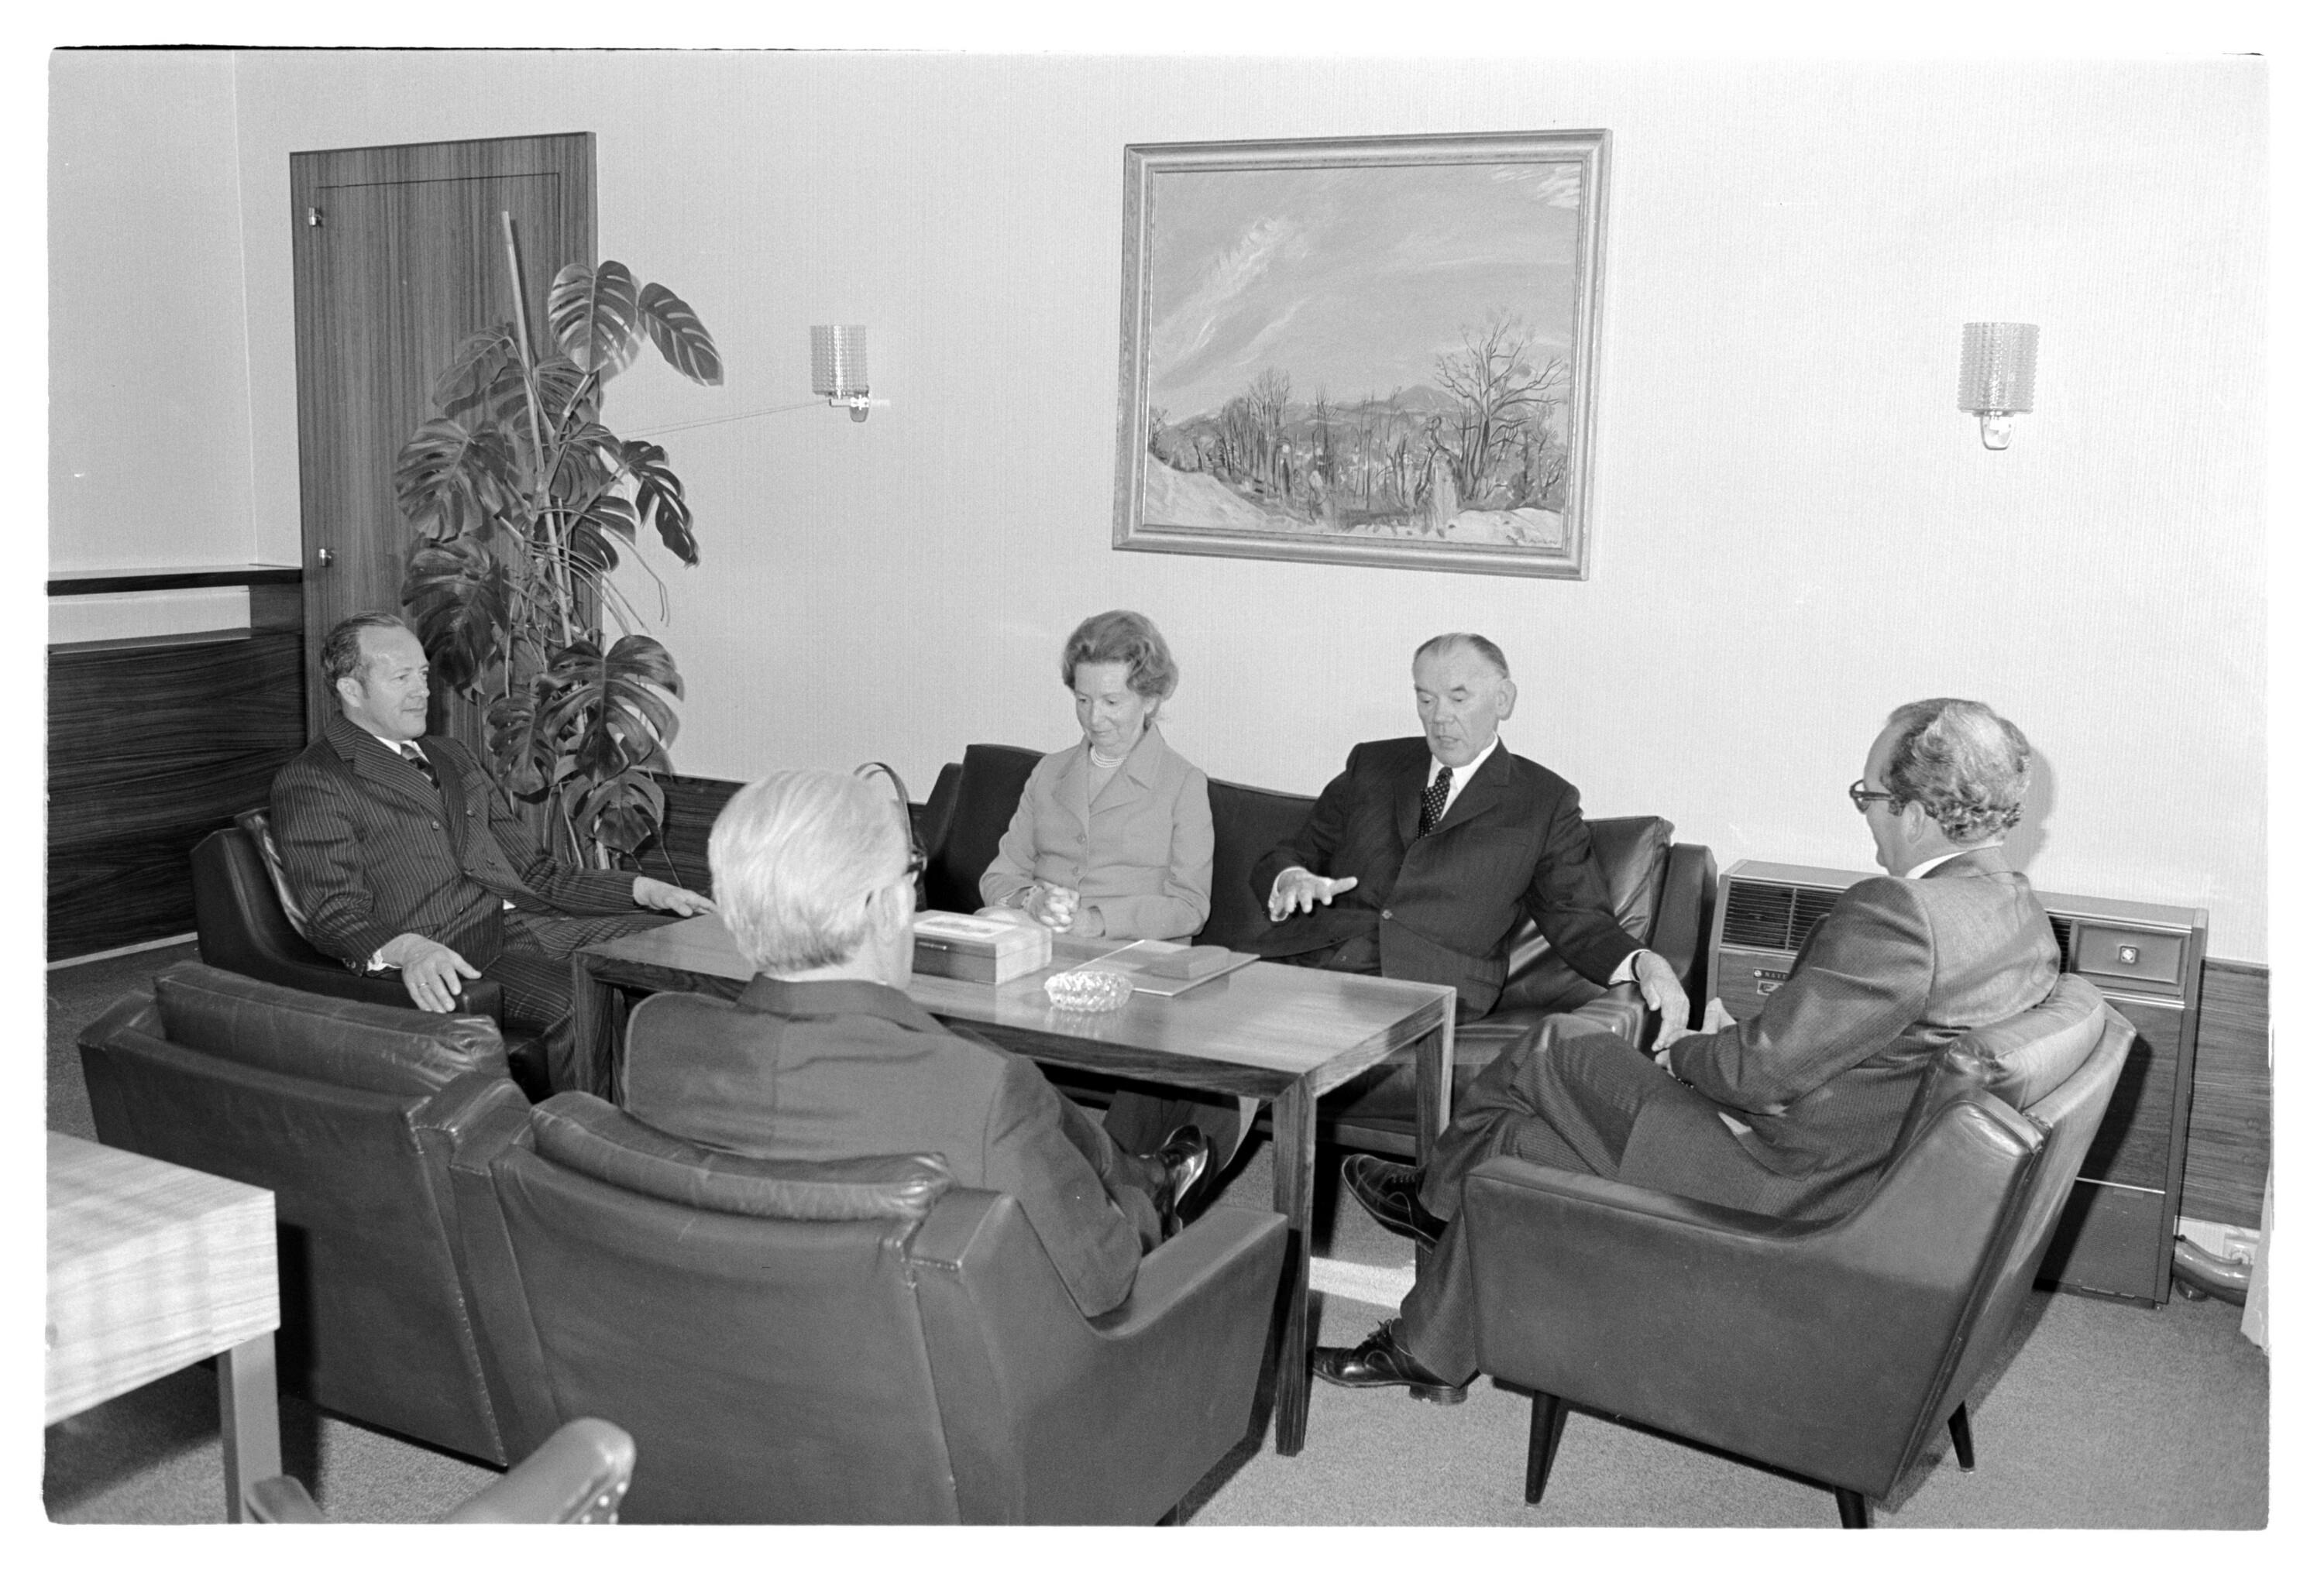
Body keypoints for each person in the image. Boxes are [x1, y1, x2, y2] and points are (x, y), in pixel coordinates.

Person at [1314, 697, 2061, 1403]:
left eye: (1866, 796)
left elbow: (1755, 1074)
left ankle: (1432, 1197)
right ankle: (1427, 1345)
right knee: (1514, 1144)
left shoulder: (1901, 913)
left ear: (1919, 816)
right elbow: (1866, 1039)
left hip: (1777, 1184)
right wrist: (1745, 1038)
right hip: (1857, 1177)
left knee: (1557, 1044)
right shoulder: (2019, 912)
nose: (1864, 813)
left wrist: (1689, 1052)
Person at [621, 768, 1209, 1318]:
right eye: (909, 873)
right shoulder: (979, 1091)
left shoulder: (657, 1037)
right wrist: (1140, 1217)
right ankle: (1150, 1186)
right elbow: (1105, 1280)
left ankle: (1139, 1170)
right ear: (888, 909)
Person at [270, 612, 713, 1052]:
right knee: (584, 1000)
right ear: (351, 689)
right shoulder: (315, 778)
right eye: (401, 678)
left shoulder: (450, 755)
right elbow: (334, 912)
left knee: (690, 945)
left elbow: (536, 873)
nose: (423, 691)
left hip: (531, 925)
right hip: (458, 951)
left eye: (422, 674)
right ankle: (589, 1102)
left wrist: (643, 890)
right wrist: (410, 950)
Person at [1253, 632, 1690, 1033]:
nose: (1439, 718)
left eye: (1458, 699)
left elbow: (1578, 919)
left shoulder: (1542, 802)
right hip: (1305, 961)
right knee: (1220, 1018)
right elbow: (1292, 853)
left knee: (1292, 1040)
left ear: (1503, 699)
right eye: (1426, 699)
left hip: (1422, 987)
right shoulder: (1372, 765)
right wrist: (1290, 878)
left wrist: (1645, 963)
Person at [978, 610, 1212, 943]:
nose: (1094, 718)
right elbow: (998, 877)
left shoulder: (1184, 784)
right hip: (1041, 940)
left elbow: (1190, 908)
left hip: (1133, 953)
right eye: (1083, 700)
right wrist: (1031, 900)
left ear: (1150, 700)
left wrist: (1096, 922)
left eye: (1112, 702)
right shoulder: (1048, 772)